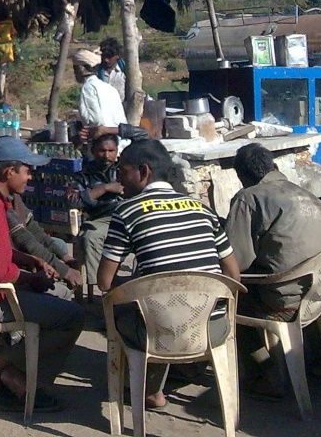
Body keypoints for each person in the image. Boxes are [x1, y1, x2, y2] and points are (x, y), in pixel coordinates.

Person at [0, 136, 85, 413]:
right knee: (72, 317)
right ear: (9, 172)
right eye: (27, 171)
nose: (29, 177)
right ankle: (13, 372)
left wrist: (27, 259)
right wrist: (32, 279)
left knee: (59, 296)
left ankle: (14, 367)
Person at [97, 140, 240, 410]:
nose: (119, 181)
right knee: (160, 302)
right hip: (212, 330)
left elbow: (104, 282)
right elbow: (233, 275)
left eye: (123, 172)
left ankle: (149, 390)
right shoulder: (203, 209)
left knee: (127, 308)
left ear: (143, 171)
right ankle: (189, 365)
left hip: (157, 330)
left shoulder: (127, 212)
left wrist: (141, 286)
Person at [226, 142, 321, 397]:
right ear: (273, 166)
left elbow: (238, 261)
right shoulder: (304, 193)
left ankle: (267, 375)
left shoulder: (248, 197)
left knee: (229, 302)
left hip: (285, 298)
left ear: (241, 176)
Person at [72, 134, 123, 287]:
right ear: (93, 151)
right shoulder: (83, 176)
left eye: (111, 151)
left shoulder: (124, 170)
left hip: (126, 217)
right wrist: (105, 188)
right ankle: (101, 288)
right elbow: (73, 201)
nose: (106, 155)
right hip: (101, 220)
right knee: (91, 237)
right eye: (102, 151)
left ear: (116, 151)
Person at [71, 49, 127, 151]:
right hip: (121, 145)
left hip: (104, 146)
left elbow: (93, 121)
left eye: (75, 69)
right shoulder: (109, 88)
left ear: (80, 68)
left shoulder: (88, 87)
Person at [98, 37, 127, 102]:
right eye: (104, 56)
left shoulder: (124, 71)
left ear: (117, 55)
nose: (106, 60)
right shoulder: (96, 72)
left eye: (109, 57)